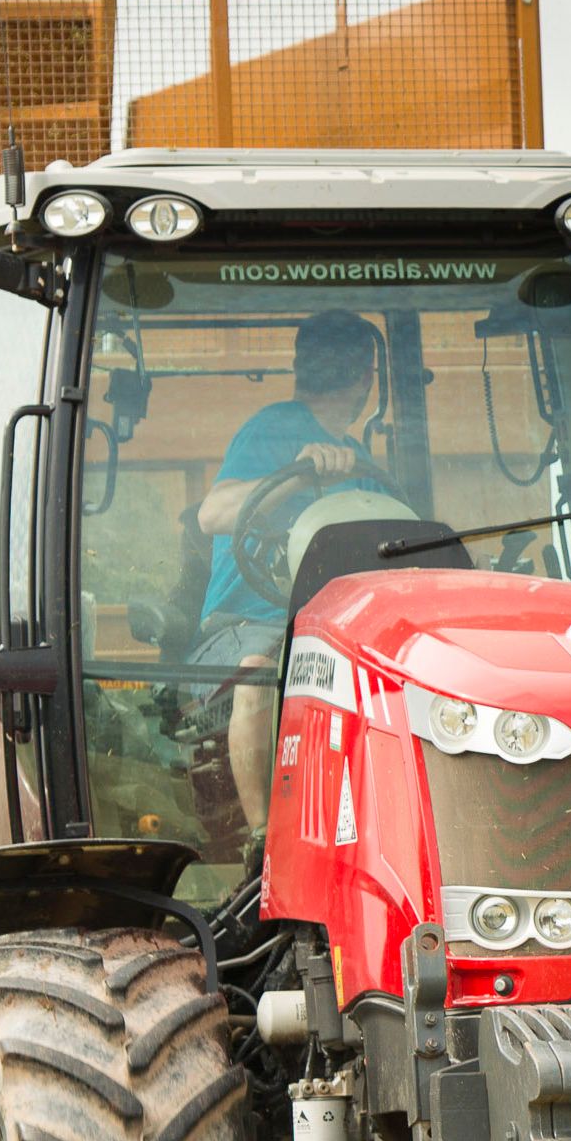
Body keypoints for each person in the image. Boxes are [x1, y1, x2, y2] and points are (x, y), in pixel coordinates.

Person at [193, 309, 387, 831]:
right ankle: (263, 841)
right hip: (243, 625)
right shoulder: (275, 429)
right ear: (369, 377)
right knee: (259, 668)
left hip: (330, 626)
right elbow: (211, 514)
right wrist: (295, 475)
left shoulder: (357, 458)